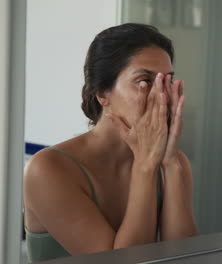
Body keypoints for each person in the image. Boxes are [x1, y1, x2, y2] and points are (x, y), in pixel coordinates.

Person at [23, 23, 197, 262]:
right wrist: (145, 167)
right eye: (145, 81)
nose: (162, 96)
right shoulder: (47, 170)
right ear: (102, 93)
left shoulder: (173, 164)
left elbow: (184, 259)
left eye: (167, 82)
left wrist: (171, 162)